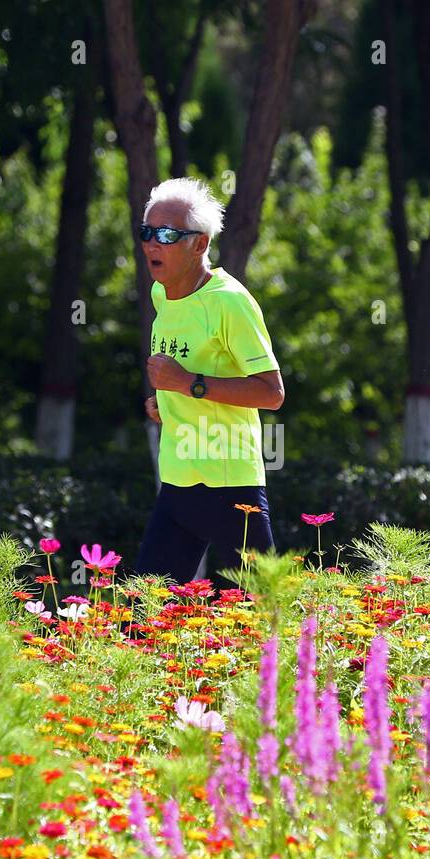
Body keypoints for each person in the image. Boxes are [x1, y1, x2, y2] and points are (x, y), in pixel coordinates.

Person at [132, 177, 285, 584]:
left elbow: (272, 393)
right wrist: (165, 402)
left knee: (261, 612)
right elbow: (184, 379)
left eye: (166, 234)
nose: (152, 244)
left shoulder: (230, 302)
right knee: (141, 619)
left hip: (230, 487)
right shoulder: (160, 294)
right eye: (146, 232)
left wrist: (188, 384)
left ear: (199, 244)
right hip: (178, 484)